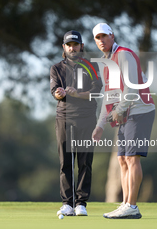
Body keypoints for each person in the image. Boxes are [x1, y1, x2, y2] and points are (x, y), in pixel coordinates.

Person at [91, 23, 155, 219]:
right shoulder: (106, 63)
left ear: (112, 36)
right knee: (121, 159)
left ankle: (132, 206)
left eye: (104, 36)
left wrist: (119, 109)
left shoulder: (124, 54)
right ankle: (126, 203)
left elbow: (132, 88)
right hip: (125, 114)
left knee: (131, 158)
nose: (101, 40)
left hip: (140, 110)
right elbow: (108, 96)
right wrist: (100, 125)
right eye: (97, 38)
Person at [50, 30, 102, 216]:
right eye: (69, 45)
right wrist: (60, 94)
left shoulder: (91, 66)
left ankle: (81, 203)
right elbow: (54, 90)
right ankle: (67, 203)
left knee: (85, 162)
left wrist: (76, 94)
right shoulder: (56, 68)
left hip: (87, 118)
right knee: (66, 162)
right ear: (64, 47)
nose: (72, 48)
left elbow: (96, 91)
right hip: (64, 118)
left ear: (81, 46)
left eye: (75, 44)